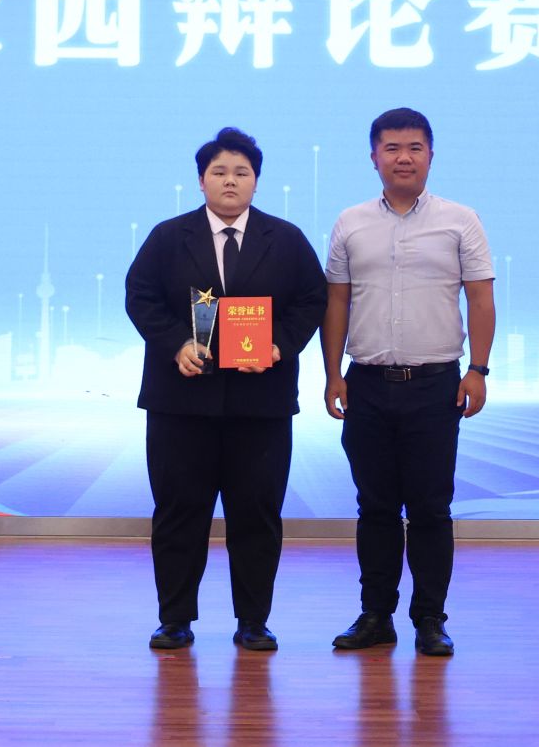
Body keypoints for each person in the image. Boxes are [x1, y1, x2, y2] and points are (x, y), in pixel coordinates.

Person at [126, 127, 327, 654]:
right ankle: (174, 620)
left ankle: (253, 621)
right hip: (181, 403)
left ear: (256, 181)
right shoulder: (168, 237)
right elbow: (140, 296)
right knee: (179, 512)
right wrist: (176, 343)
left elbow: (313, 299)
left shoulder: (285, 239)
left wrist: (280, 345)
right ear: (201, 181)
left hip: (260, 405)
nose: (230, 181)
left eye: (241, 172)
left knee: (256, 514)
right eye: (219, 172)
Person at [320, 107, 495, 658]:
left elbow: (481, 297)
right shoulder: (350, 222)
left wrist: (479, 369)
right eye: (392, 148)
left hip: (435, 385)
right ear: (374, 157)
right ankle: (376, 615)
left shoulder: (460, 220)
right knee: (374, 507)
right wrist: (332, 374)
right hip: (367, 384)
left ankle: (430, 619)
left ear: (431, 156)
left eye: (414, 147)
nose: (403, 157)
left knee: (430, 508)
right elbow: (337, 302)